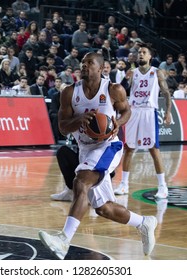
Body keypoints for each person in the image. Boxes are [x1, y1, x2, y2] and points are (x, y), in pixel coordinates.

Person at [38, 52, 157, 259]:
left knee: (81, 182)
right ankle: (145, 223)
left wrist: (117, 124)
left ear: (101, 68)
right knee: (104, 209)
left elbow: (127, 112)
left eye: (89, 63)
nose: (84, 66)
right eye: (82, 63)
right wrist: (80, 120)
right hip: (86, 149)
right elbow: (63, 128)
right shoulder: (69, 92)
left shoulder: (113, 89)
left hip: (109, 146)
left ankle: (63, 240)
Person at [114, 43, 172, 199]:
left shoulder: (157, 72)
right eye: (139, 52)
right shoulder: (132, 73)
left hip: (148, 112)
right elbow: (122, 91)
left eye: (144, 52)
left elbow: (166, 93)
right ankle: (124, 184)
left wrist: (168, 112)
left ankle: (162, 186)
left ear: (149, 56)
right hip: (133, 112)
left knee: (153, 149)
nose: (140, 54)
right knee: (129, 148)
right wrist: (125, 82)